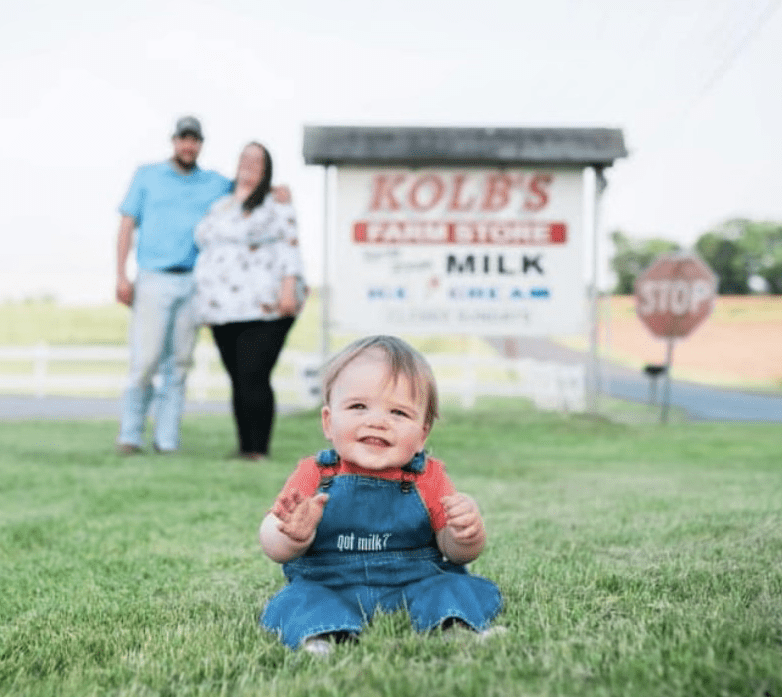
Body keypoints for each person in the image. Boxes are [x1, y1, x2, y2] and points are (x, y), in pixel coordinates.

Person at [257, 335, 504, 654]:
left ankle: (453, 628)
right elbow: (272, 543)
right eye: (358, 406)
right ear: (329, 422)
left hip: (415, 580)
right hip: (329, 582)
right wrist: (291, 534)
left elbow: (455, 553)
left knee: (454, 586)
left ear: (422, 433)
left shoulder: (428, 476)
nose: (377, 422)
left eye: (398, 413)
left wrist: (466, 535)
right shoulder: (315, 473)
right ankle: (324, 636)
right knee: (299, 600)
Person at [114, 116, 233, 455]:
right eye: (183, 139)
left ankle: (167, 440)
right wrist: (121, 275)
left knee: (179, 364)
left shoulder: (213, 183)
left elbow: (247, 188)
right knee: (146, 359)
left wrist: (276, 189)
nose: (188, 146)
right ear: (174, 141)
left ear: (201, 145)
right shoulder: (147, 176)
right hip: (153, 277)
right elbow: (126, 225)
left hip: (193, 281)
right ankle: (130, 434)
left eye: (194, 140)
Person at [193, 142, 304, 461]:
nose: (249, 164)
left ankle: (259, 448)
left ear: (267, 167)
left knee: (254, 373)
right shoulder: (221, 206)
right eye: (244, 158)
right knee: (237, 377)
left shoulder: (276, 203)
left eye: (257, 160)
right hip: (222, 308)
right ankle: (244, 446)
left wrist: (288, 289)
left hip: (264, 307)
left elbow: (290, 246)